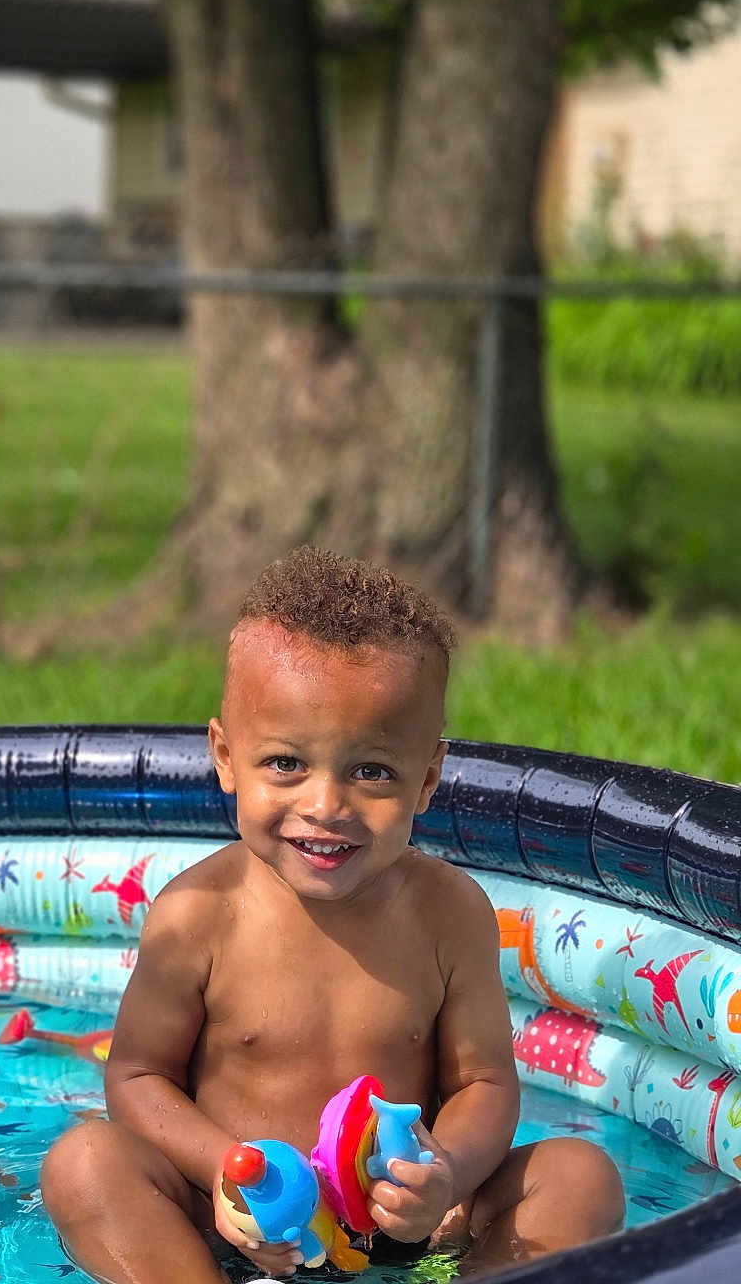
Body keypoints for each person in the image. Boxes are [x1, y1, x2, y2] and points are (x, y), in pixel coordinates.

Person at [40, 548, 623, 1281]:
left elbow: (485, 1084)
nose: (326, 805)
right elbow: (135, 1076)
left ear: (429, 778)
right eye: (286, 763)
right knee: (84, 1162)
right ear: (225, 755)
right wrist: (224, 1169)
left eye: (372, 771)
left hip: (408, 1224)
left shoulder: (450, 913)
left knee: (581, 1175)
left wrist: (444, 1172)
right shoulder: (198, 914)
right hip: (240, 1219)